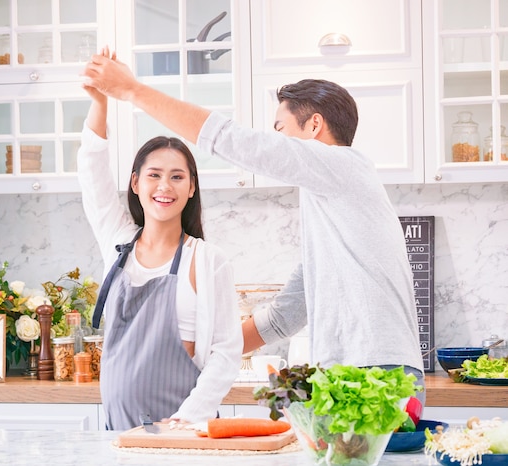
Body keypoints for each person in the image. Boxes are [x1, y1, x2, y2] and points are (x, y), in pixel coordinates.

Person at [82, 50, 426, 403]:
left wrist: (133, 91)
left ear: (315, 125)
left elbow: (233, 141)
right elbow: (286, 314)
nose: (275, 142)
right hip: (355, 372)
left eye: (280, 131)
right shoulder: (333, 207)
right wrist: (203, 355)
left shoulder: (343, 166)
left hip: (376, 371)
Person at [77, 49, 243, 430]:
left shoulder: (206, 259)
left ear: (191, 188)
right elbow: (92, 171)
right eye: (153, 175)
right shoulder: (118, 244)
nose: (164, 186)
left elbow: (225, 352)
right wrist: (100, 101)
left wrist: (187, 419)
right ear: (135, 183)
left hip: (183, 430)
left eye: (176, 177)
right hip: (118, 432)